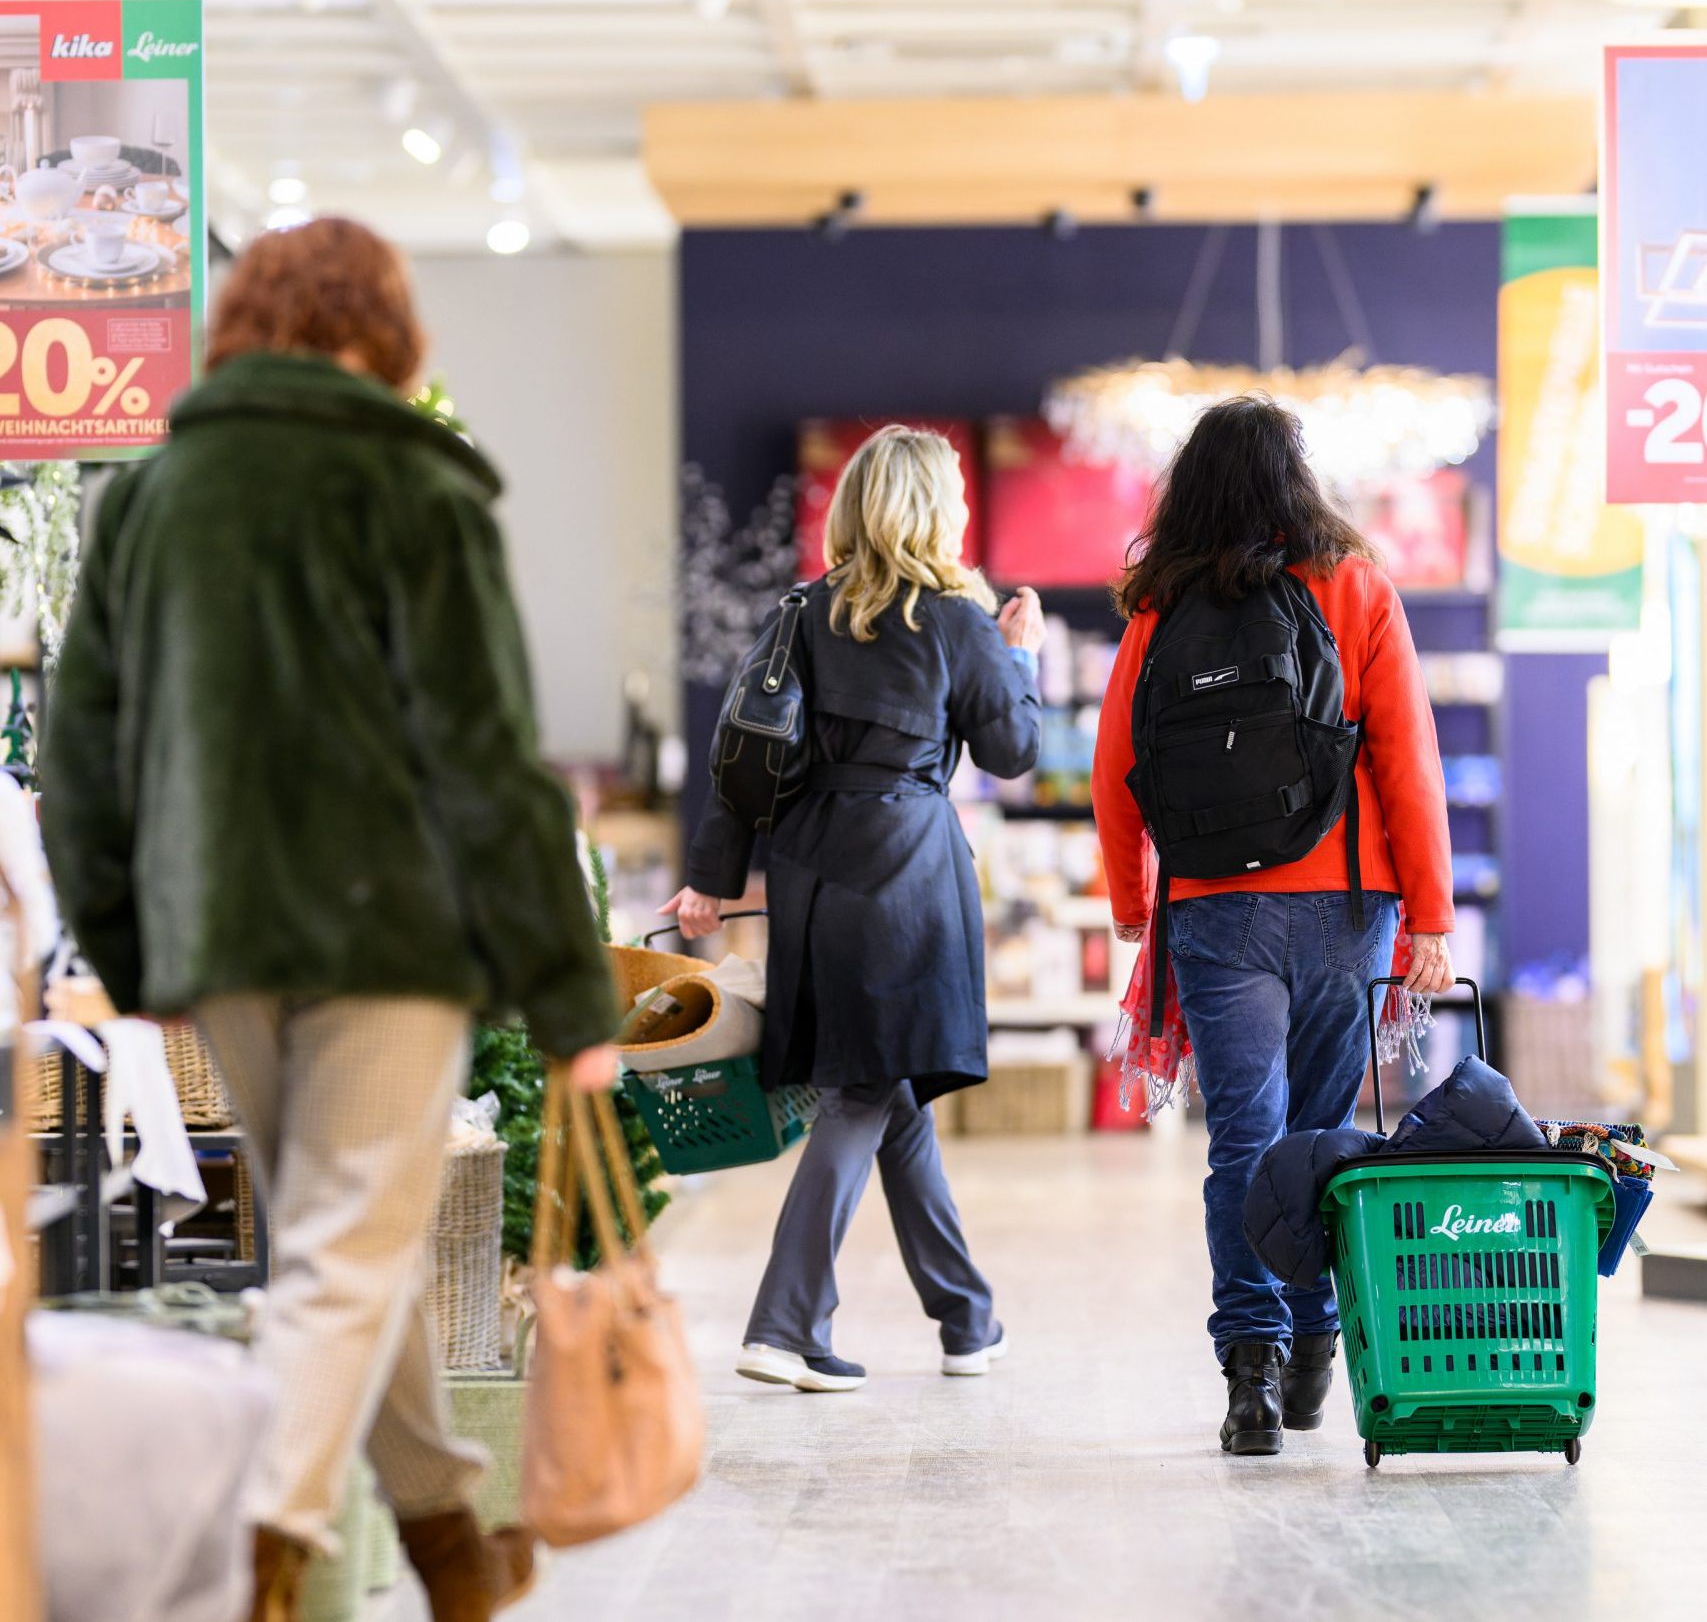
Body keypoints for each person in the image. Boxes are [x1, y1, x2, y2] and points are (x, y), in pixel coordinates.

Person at [41, 217, 620, 1622]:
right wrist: (569, 996)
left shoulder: (153, 495)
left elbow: (82, 752)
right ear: (385, 332)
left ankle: (447, 1543)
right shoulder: (414, 489)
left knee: (339, 1236)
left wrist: (130, 947)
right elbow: (485, 761)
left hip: (221, 938)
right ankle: (250, 1551)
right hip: (389, 943)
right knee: (346, 1241)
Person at [1090, 395, 1455, 1456]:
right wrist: (1429, 916)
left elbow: (1117, 766)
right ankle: (1315, 1342)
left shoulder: (1162, 605)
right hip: (1345, 906)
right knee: (1321, 1134)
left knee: (1241, 1138)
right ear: (1300, 483)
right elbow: (1407, 759)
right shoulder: (1355, 587)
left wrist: (1131, 903)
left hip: (1214, 908)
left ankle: (1247, 1375)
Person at [664, 425, 1043, 1391]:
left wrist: (712, 878)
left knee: (890, 1092)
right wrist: (1020, 659)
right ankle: (783, 1326)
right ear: (935, 510)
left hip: (809, 876)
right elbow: (1012, 754)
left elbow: (741, 756)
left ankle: (967, 1320)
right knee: (864, 1091)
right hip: (905, 878)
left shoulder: (799, 612)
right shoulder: (957, 619)